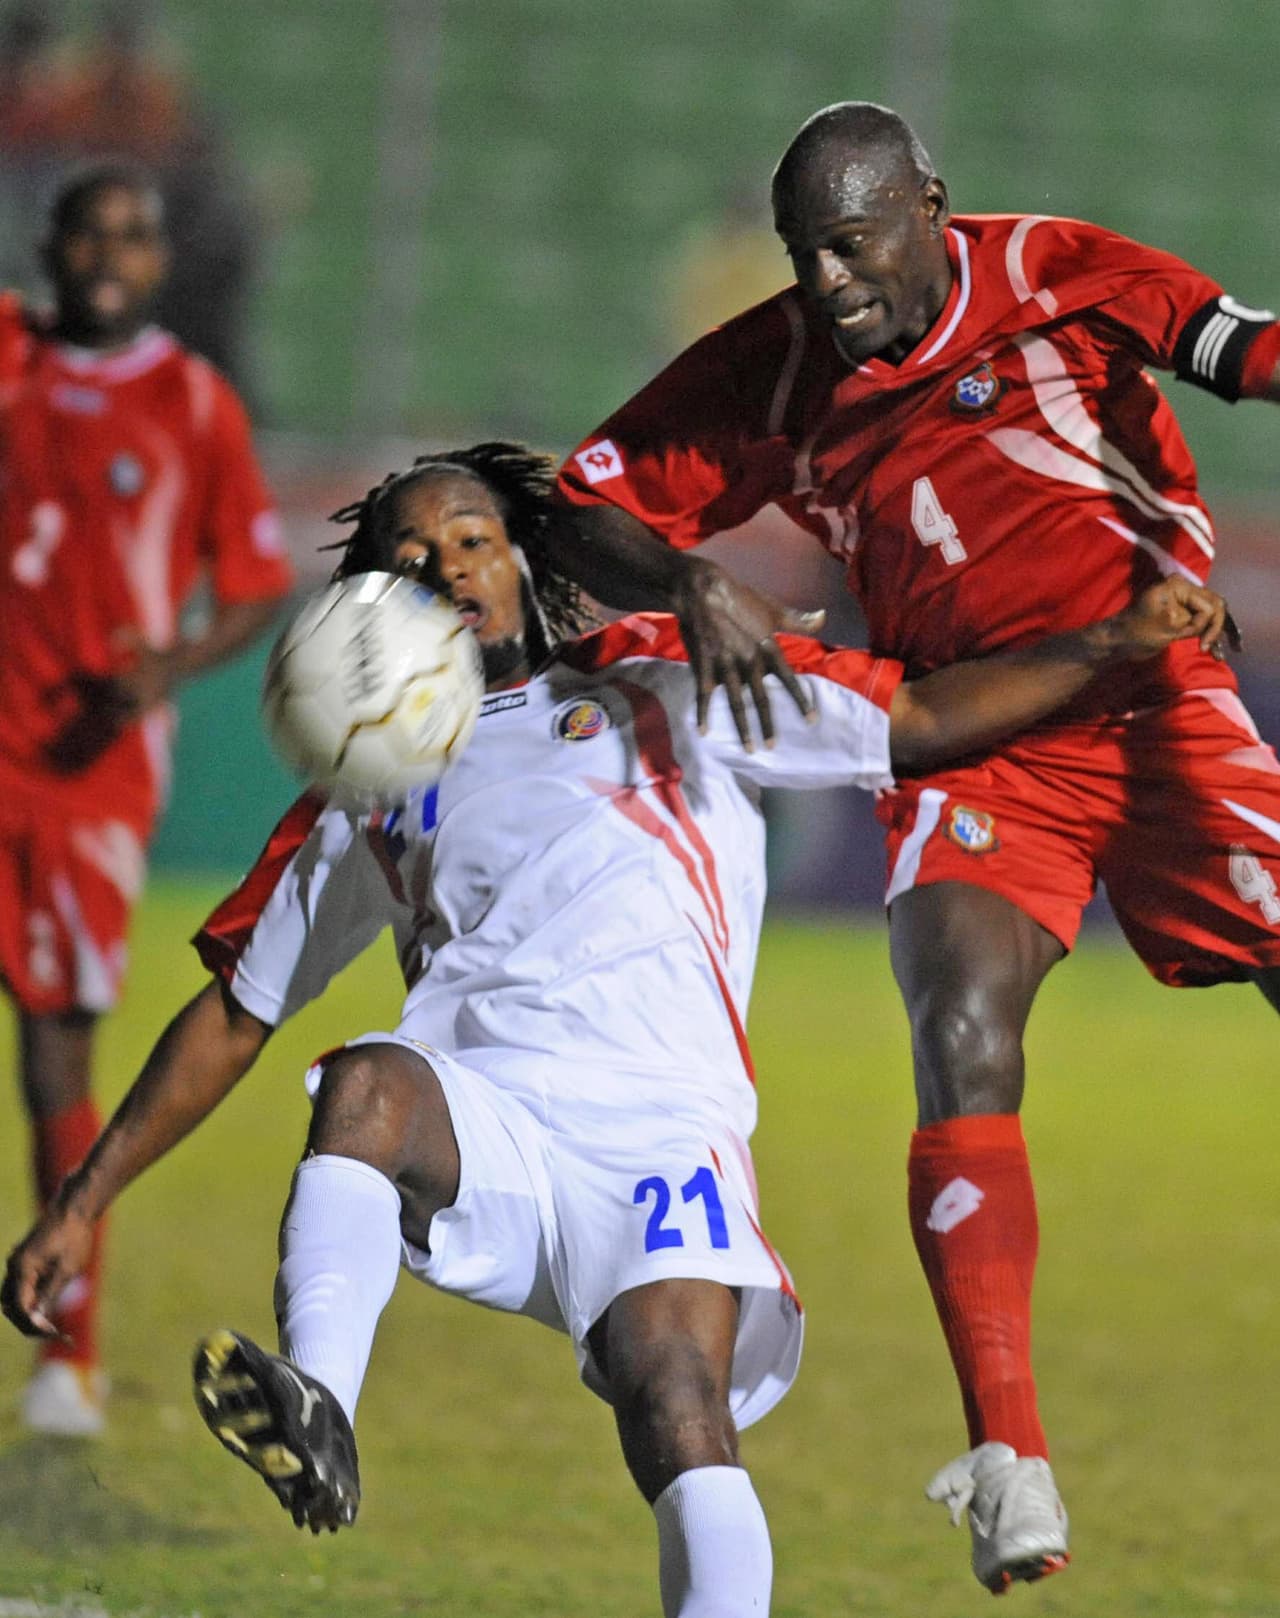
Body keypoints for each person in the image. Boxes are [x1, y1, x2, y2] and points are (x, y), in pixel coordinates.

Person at [0, 442, 1228, 1613]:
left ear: (523, 555)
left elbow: (912, 720)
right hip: (486, 1124)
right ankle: (318, 1401)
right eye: (410, 559)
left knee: (680, 1403)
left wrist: (1110, 642)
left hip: (662, 1129)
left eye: (470, 537)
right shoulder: (367, 779)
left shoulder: (667, 674)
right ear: (376, 599)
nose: (448, 569)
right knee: (364, 1084)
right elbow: (237, 1008)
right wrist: (80, 1204)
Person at [543, 100, 1280, 1593]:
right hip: (975, 730)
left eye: (854, 240)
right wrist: (690, 572)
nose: (828, 279)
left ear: (932, 205)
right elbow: (578, 504)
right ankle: (1008, 1455)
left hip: (1150, 686)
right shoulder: (771, 369)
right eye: (805, 250)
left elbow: (1244, 349)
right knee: (958, 1023)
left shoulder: (1061, 269)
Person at [0, 160, 292, 1435]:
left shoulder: (193, 403)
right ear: (53, 246)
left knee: (56, 1041)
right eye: (88, 232)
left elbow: (256, 578)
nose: (108, 253)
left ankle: (70, 1353)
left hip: (86, 772)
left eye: (133, 233)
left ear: (159, 260)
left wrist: (168, 663)